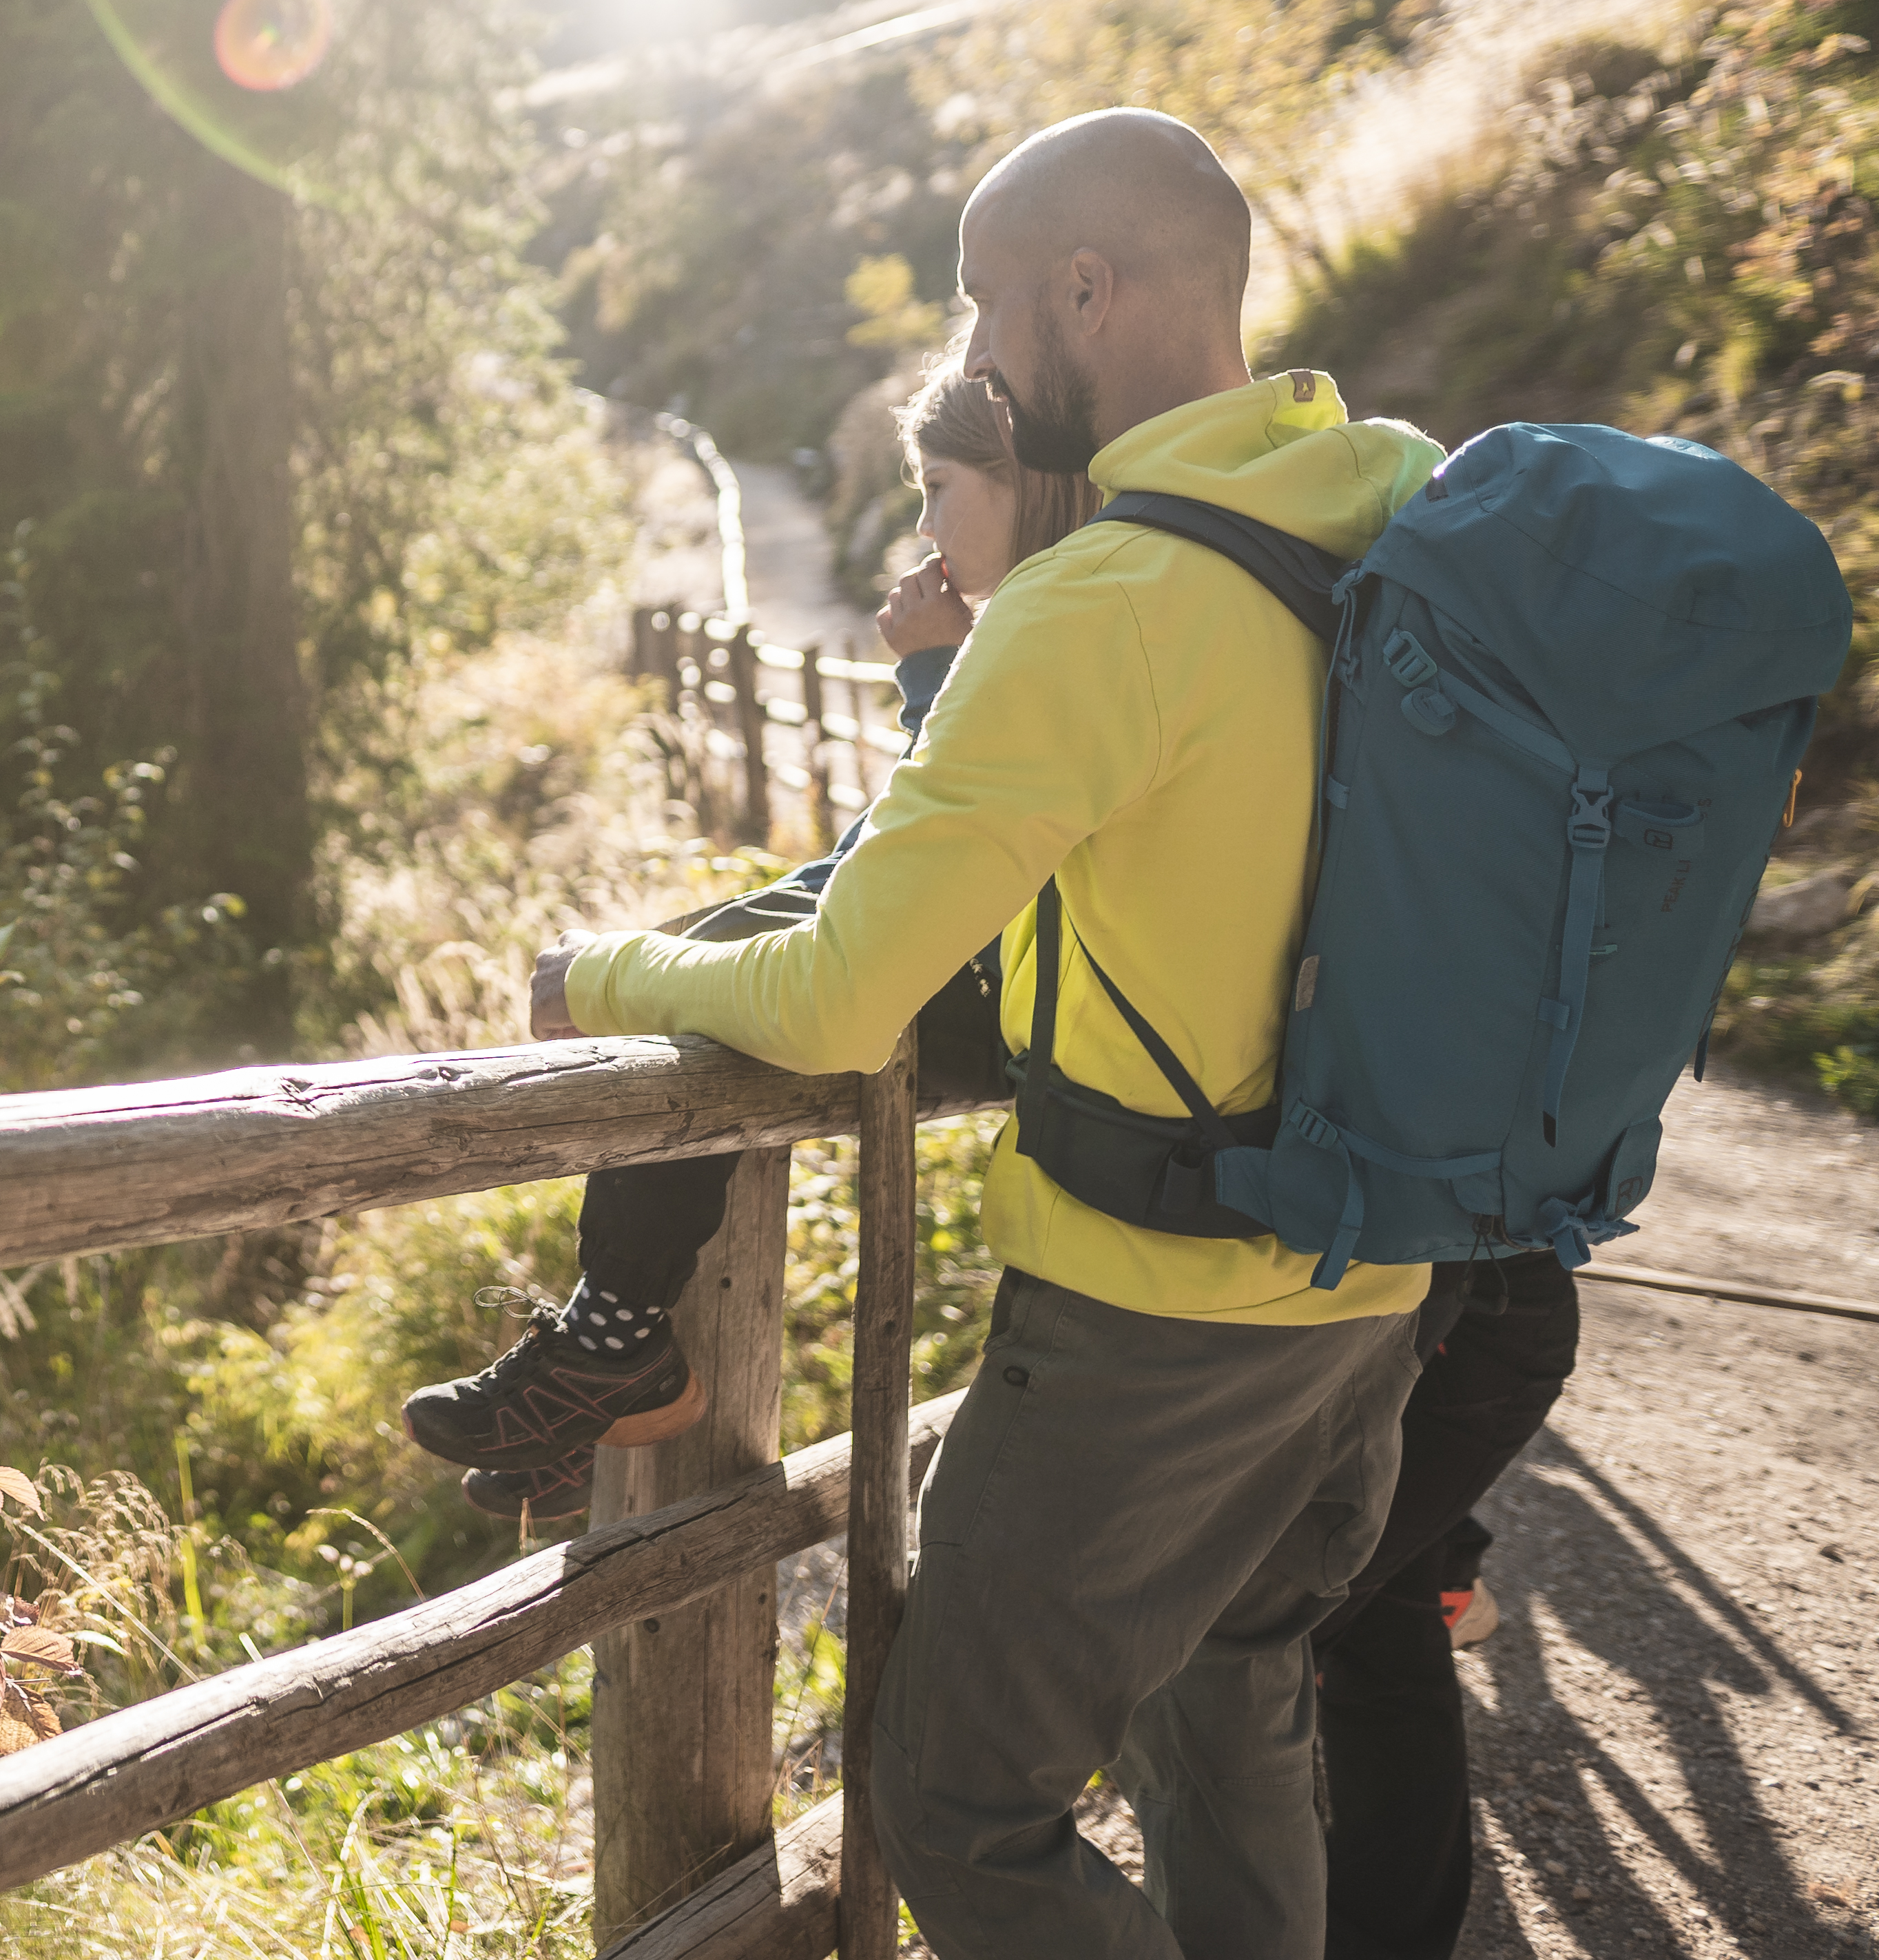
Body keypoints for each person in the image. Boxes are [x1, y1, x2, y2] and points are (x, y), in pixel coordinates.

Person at [524, 109, 1441, 1960]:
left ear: (1084, 291)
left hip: (1159, 1313)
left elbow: (840, 994)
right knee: (1228, 1712)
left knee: (954, 1802)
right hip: (1374, 1275)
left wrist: (603, 977)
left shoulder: (1107, 599)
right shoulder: (1382, 490)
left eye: (986, 310)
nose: (977, 361)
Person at [401, 352, 1092, 1521]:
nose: (922, 521)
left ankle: (610, 1349)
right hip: (976, 959)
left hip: (1002, 989)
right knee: (697, 951)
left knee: (702, 994)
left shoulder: (1063, 619)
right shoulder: (1046, 612)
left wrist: (931, 669)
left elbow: (980, 840)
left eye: (937, 488)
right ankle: (599, 1375)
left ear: (1017, 479)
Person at [1314, 1258, 1579, 1959]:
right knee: (1375, 1632)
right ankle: (1370, 1933)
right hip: (1390, 1333)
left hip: (1472, 1335)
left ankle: (1340, 1932)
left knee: (1284, 1633)